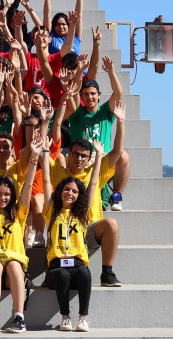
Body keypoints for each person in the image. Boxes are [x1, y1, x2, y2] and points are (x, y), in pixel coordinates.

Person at [52, 101, 128, 287]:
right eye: (75, 154)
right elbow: (48, 150)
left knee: (111, 223)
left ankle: (107, 273)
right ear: (69, 154)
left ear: (89, 158)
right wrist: (52, 121)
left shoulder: (95, 172)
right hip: (66, 231)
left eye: (83, 156)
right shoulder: (59, 173)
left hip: (89, 230)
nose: (78, 158)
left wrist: (121, 122)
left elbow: (117, 151)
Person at [0, 132, 42, 333]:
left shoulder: (19, 213)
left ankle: (18, 317)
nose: (3, 197)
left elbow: (28, 185)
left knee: (12, 264)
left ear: (12, 196)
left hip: (13, 272)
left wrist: (34, 157)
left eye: (7, 194)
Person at [41, 138, 104, 332]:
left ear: (79, 196)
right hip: (57, 266)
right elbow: (46, 179)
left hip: (76, 263)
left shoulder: (82, 213)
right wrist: (44, 153)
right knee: (62, 275)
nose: (70, 193)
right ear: (60, 192)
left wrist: (99, 156)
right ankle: (65, 317)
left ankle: (83, 318)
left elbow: (93, 183)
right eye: (67, 189)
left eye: (75, 191)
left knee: (85, 273)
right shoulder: (52, 210)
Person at [64, 55, 131, 212]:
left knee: (124, 155)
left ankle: (117, 195)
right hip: (81, 158)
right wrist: (80, 71)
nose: (90, 97)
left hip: (104, 157)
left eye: (93, 94)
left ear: (99, 95)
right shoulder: (76, 114)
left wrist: (111, 72)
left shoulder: (106, 111)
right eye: (86, 94)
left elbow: (118, 93)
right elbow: (73, 92)